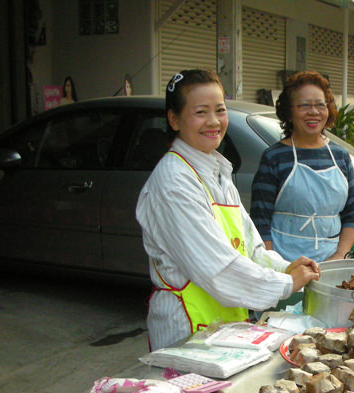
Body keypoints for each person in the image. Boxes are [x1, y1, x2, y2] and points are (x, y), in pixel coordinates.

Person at [136, 69, 320, 350]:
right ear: (174, 120)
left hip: (224, 326)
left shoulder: (216, 172)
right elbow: (217, 268)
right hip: (187, 330)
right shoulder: (173, 182)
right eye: (201, 112)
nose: (213, 122)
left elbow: (250, 248)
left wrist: (286, 267)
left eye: (220, 111)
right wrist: (284, 284)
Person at [250, 71, 354, 263]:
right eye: (304, 105)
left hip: (331, 261)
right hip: (285, 262)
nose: (314, 112)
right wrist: (274, 265)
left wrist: (339, 255)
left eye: (320, 105)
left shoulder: (340, 156)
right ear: (289, 111)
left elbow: (353, 213)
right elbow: (260, 220)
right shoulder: (274, 157)